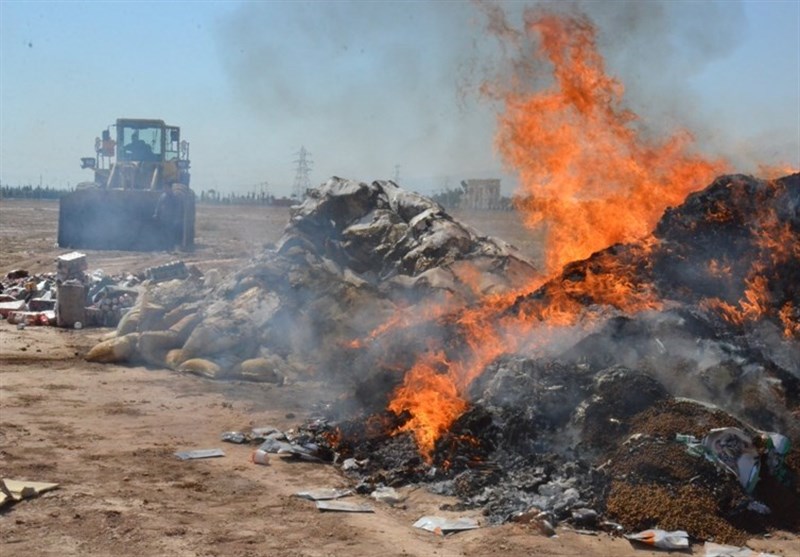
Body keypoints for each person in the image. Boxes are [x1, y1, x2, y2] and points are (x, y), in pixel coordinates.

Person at [153, 184, 183, 250]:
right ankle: (164, 247)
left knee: (170, 234)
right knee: (163, 233)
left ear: (170, 188)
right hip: (163, 218)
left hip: (171, 219)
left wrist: (177, 218)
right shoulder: (162, 196)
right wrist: (156, 214)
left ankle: (171, 247)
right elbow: (158, 206)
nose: (165, 189)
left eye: (166, 188)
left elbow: (178, 209)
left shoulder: (174, 197)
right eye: (164, 188)